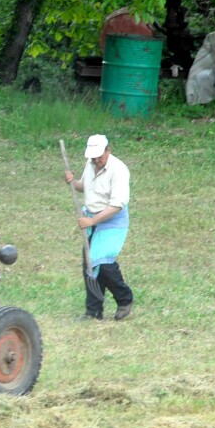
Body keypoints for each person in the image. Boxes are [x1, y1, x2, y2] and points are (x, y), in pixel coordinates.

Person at [64, 135, 134, 321]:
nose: (96, 160)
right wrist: (72, 181)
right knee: (89, 264)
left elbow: (117, 205)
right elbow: (84, 187)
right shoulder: (90, 164)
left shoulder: (119, 170)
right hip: (92, 219)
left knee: (102, 263)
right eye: (93, 157)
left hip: (112, 221)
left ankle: (125, 299)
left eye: (99, 157)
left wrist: (93, 221)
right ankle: (94, 311)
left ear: (108, 150)